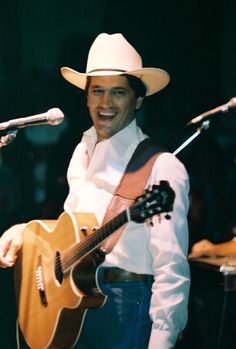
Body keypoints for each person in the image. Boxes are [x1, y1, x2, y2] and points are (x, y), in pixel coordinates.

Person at [0, 33, 190, 349]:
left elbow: (172, 274)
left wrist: (161, 343)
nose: (105, 103)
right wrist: (24, 232)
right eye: (97, 91)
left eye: (118, 92)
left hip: (128, 310)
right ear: (86, 97)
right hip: (75, 309)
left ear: (138, 100)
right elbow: (69, 231)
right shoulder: (81, 152)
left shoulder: (161, 166)